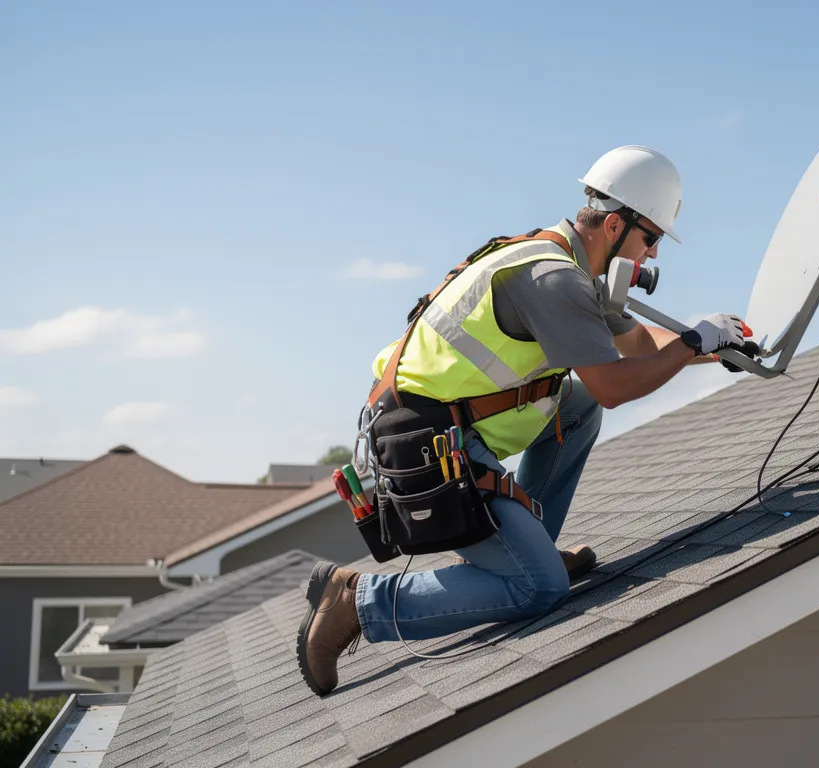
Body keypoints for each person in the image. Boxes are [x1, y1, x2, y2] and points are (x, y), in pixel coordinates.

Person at [296, 145, 751, 696]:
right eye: (650, 238)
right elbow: (614, 388)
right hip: (424, 443)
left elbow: (635, 345)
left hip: (446, 430)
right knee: (539, 588)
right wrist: (690, 347)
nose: (653, 256)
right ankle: (356, 602)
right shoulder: (554, 281)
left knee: (573, 406)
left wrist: (717, 345)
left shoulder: (565, 262)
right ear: (614, 224)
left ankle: (528, 541)